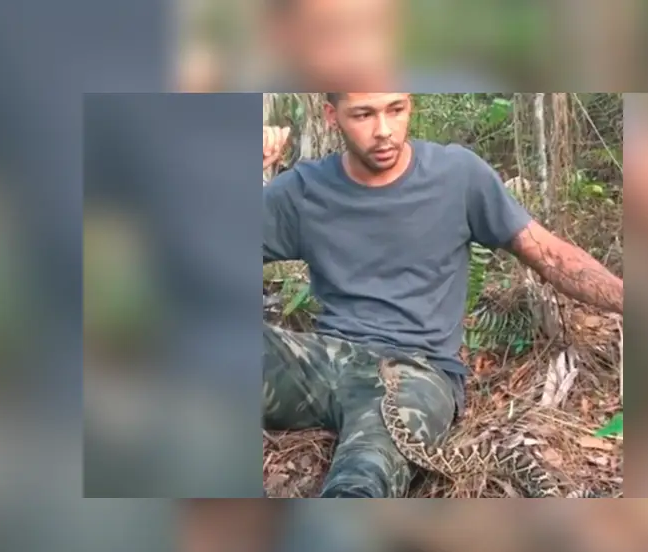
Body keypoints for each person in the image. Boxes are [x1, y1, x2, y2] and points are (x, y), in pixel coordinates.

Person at [262, 92, 624, 498]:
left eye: (395, 109)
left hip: (416, 373)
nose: (384, 131)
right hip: (322, 360)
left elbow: (551, 254)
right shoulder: (304, 190)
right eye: (363, 114)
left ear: (410, 104)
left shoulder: (458, 174)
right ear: (332, 116)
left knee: (365, 473)